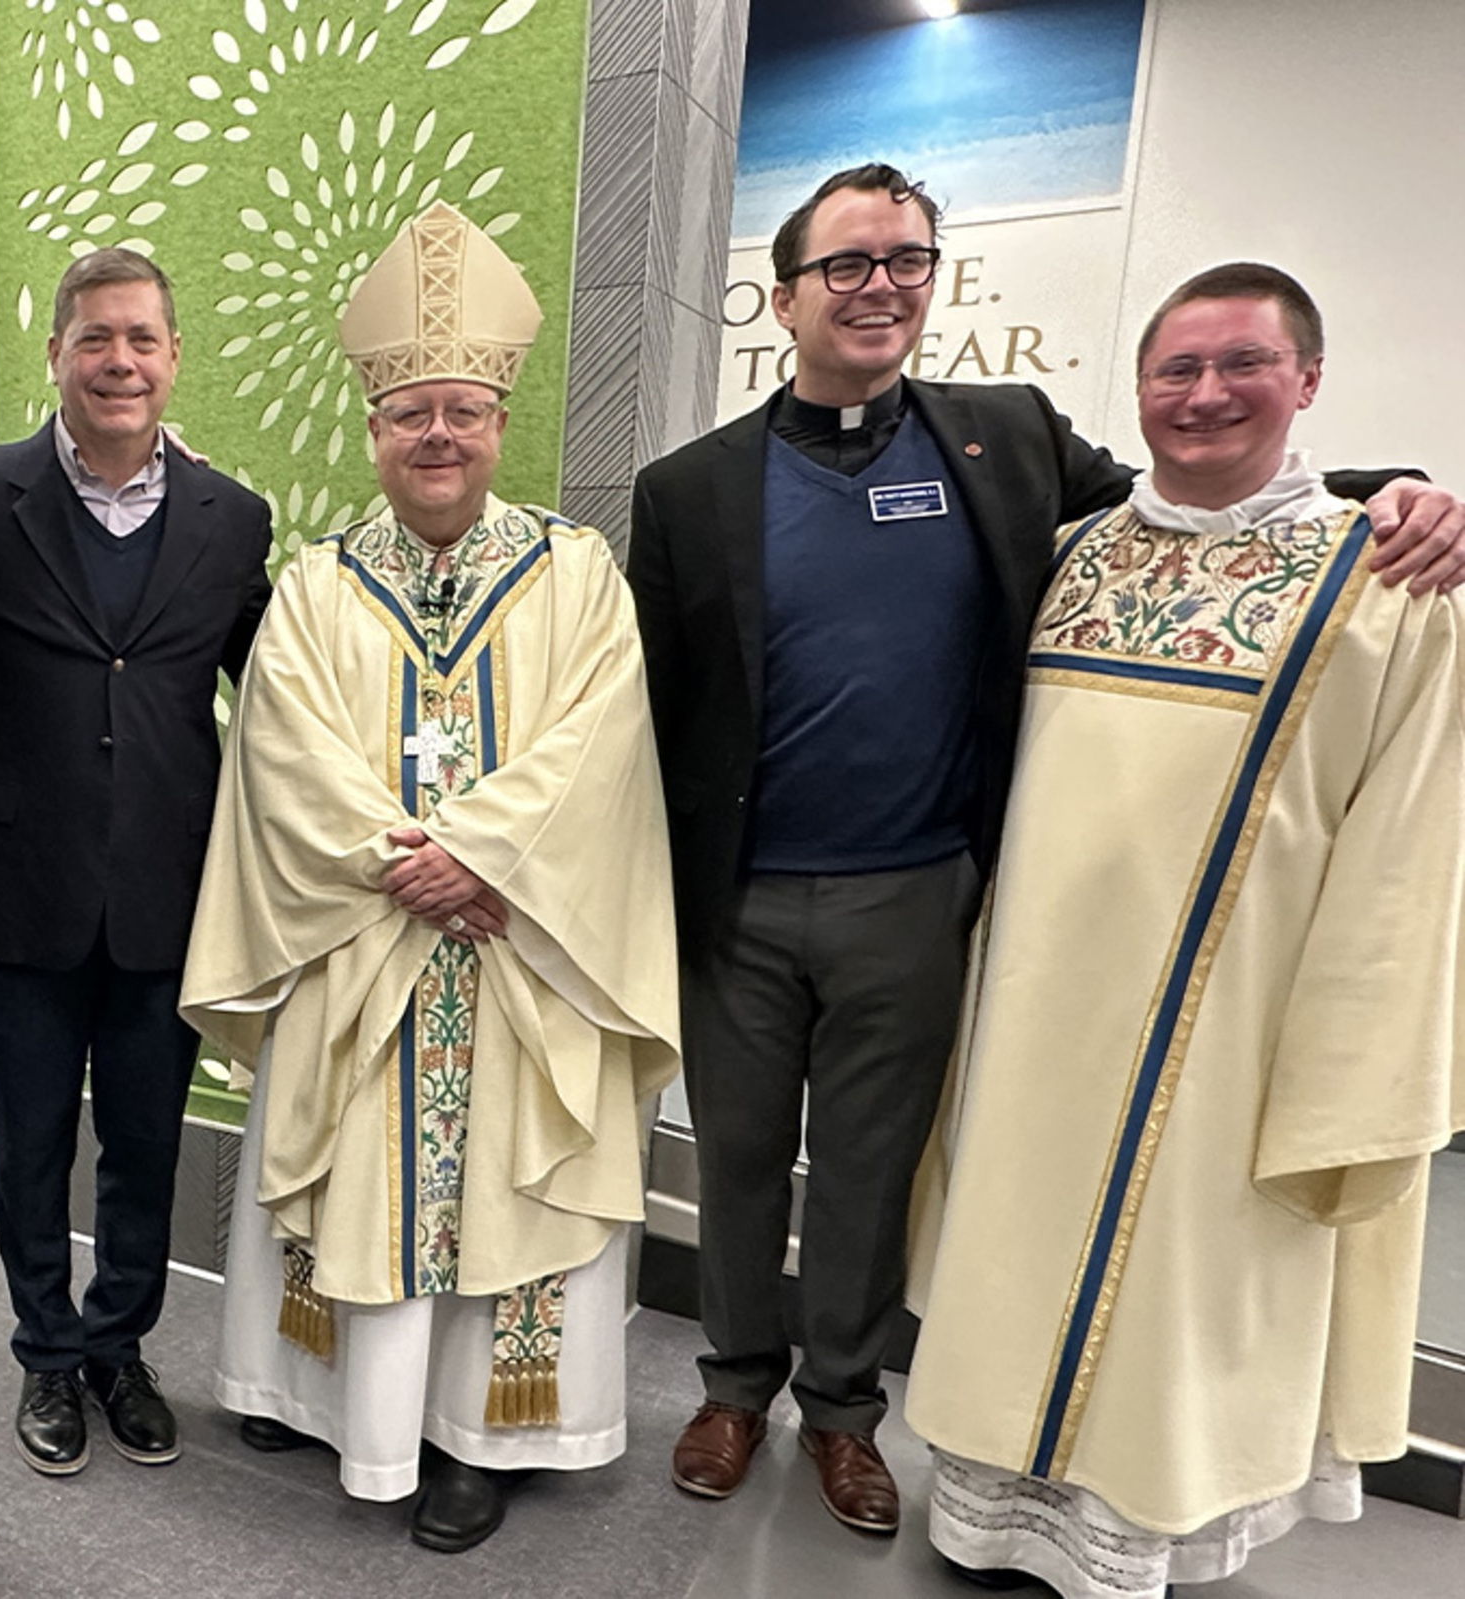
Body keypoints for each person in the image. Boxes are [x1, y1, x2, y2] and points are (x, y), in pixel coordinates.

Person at [625, 162, 1463, 1537]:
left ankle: (840, 1408)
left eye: (905, 259)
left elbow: (1185, 495)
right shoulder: (688, 486)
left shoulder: (1001, 439)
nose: (879, 286)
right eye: (845, 264)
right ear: (782, 298)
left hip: (918, 895)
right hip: (742, 901)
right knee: (735, 1158)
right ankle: (730, 1386)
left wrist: (1392, 489)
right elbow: (657, 704)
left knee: (870, 1170)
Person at [903, 263, 1463, 1598]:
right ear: (1139, 388)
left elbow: (1410, 846)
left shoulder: (1389, 584)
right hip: (1027, 1004)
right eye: (1177, 369)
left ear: (1306, 380)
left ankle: (1129, 1540)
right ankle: (990, 1514)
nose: (1204, 394)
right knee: (1011, 1262)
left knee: (1178, 1299)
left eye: (1242, 364)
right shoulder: (1070, 556)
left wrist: (1347, 1058)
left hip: (1233, 1027)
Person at [183, 200, 682, 1554]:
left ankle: (473, 1434)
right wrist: (396, 862)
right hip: (363, 939)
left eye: (462, 410)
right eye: (412, 414)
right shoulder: (318, 585)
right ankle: (330, 1401)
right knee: (351, 1160)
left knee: (503, 1180)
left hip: (520, 942)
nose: (438, 434)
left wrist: (480, 858)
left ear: (499, 424)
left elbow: (601, 744)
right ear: (374, 431)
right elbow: (283, 751)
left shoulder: (576, 574)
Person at [0, 247, 272, 1476]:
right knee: (30, 1143)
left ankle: (119, 1348)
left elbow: (284, 687)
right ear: (54, 355)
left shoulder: (230, 517)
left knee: (146, 1145)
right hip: (19, 885)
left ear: (173, 358)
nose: (119, 360)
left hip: (167, 887)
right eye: (95, 337)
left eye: (142, 338)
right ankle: (47, 1353)